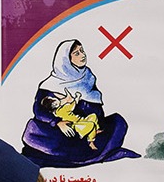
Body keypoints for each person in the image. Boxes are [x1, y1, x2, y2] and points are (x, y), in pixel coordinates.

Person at [19, 39, 139, 167]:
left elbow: (96, 107)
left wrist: (94, 120)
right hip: (60, 130)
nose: (83, 55)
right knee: (41, 134)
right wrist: (57, 122)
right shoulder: (50, 85)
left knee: (118, 122)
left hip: (85, 128)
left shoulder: (88, 77)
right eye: (76, 53)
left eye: (82, 51)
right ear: (66, 60)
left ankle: (91, 149)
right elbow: (39, 111)